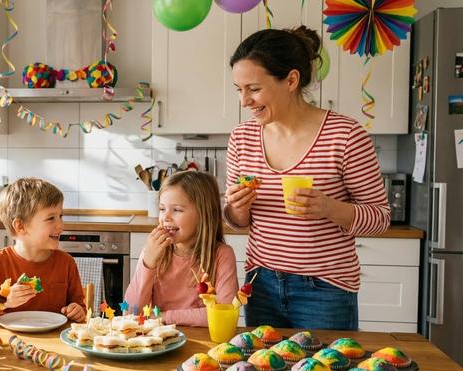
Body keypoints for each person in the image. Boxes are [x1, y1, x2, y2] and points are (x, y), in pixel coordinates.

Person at [224, 27, 390, 330]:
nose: (244, 101)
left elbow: (380, 218)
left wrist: (330, 208)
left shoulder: (345, 135)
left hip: (325, 290)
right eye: (238, 89)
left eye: (254, 89)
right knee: (261, 362)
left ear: (291, 80)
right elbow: (238, 221)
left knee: (326, 364)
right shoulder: (241, 138)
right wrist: (237, 207)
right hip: (260, 285)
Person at [124, 171, 238, 327]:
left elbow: (224, 314)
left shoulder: (222, 255)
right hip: (158, 338)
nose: (166, 217)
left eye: (177, 210)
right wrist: (148, 264)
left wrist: (164, 316)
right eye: (162, 209)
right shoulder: (152, 252)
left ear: (203, 214)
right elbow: (131, 313)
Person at [0, 177, 86, 322]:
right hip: (5, 336)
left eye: (60, 216)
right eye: (51, 218)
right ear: (20, 226)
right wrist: (2, 299)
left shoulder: (66, 263)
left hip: (53, 336)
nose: (61, 226)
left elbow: (81, 309)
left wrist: (77, 311)